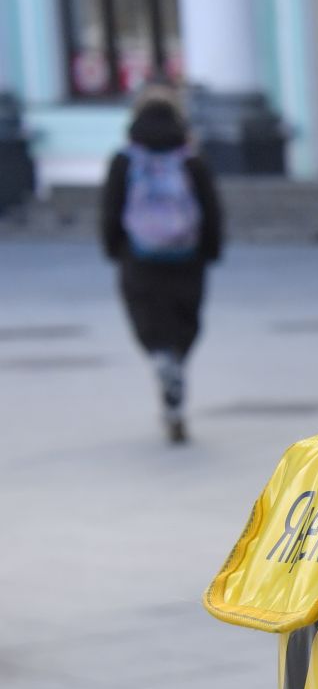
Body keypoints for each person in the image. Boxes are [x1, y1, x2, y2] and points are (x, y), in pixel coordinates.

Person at [99, 85, 224, 444]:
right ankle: (176, 363)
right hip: (188, 258)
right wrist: (211, 251)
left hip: (138, 256)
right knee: (185, 319)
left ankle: (162, 359)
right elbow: (211, 209)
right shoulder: (190, 159)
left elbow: (111, 208)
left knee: (148, 320)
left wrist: (113, 249)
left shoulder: (125, 160)